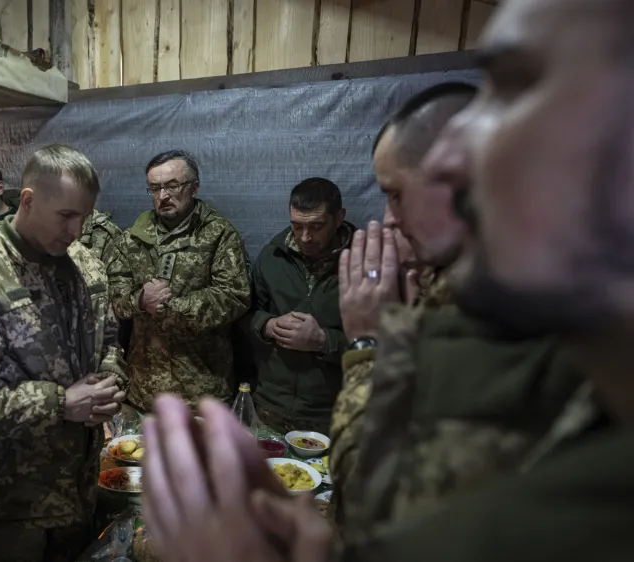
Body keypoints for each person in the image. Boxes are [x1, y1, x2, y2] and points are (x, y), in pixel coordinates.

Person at [142, 0, 634, 560]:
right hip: (274, 410)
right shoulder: (284, 257)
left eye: (516, 88)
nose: (457, 158)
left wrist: (356, 343)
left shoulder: (416, 281)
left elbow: (411, 497)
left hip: (324, 418)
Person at [331, 83, 580, 536]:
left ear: (457, 179)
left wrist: (369, 347)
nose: (389, 218)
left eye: (397, 194)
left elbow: (380, 502)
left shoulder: (510, 315)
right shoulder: (460, 284)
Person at [0, 144, 127, 562]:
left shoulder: (85, 266)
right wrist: (60, 403)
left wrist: (109, 383)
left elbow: (109, 343)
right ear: (29, 200)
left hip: (77, 492)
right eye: (66, 216)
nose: (76, 230)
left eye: (84, 217)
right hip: (7, 507)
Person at [104, 149, 250, 410]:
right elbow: (114, 298)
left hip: (202, 391)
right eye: (154, 188)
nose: (163, 196)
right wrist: (139, 300)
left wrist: (170, 307)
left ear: (194, 188)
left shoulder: (219, 235)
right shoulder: (131, 239)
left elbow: (235, 296)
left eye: (172, 186)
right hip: (143, 391)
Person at [247, 178, 354, 435]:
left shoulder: (363, 264)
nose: (305, 237)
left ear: (339, 218)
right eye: (296, 226)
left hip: (332, 416)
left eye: (317, 226)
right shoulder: (272, 256)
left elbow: (386, 344)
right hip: (269, 408)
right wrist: (267, 326)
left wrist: (322, 340)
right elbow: (244, 316)